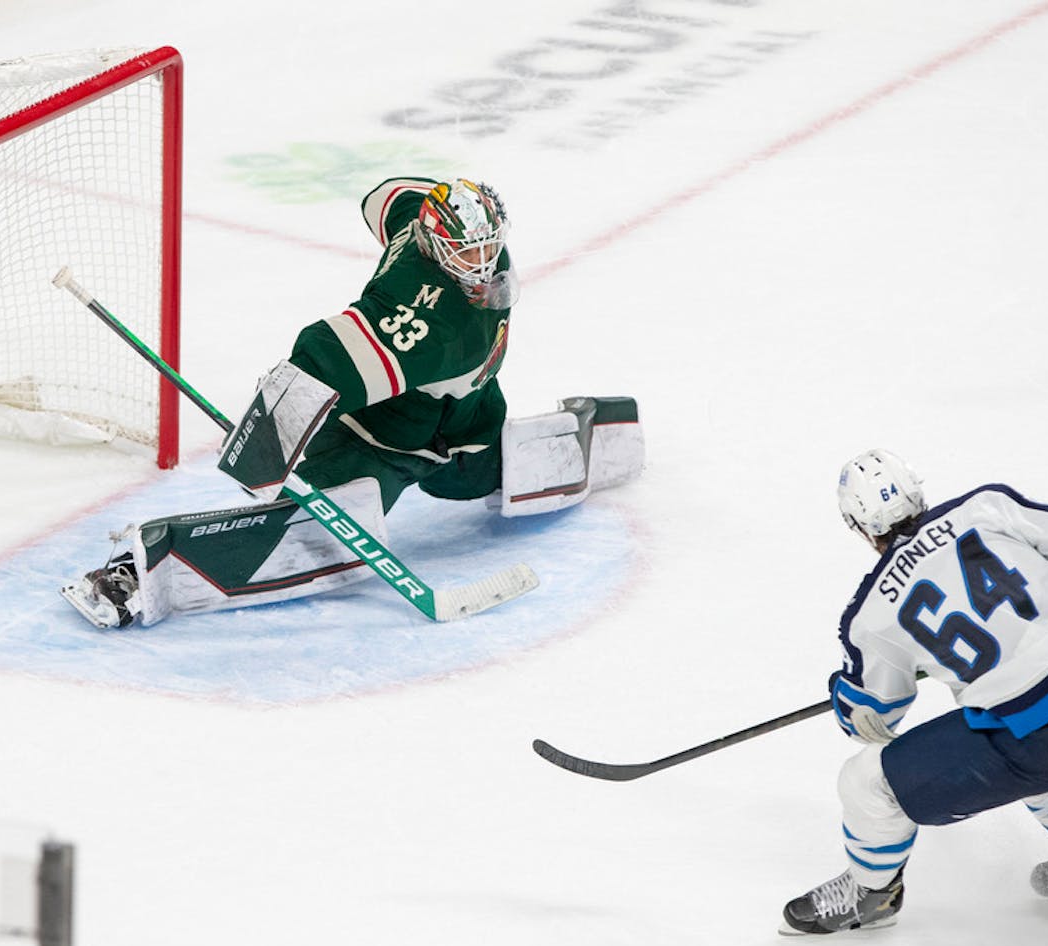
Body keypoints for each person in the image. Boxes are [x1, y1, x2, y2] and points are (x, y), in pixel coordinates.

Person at [62, 176, 644, 628]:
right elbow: (324, 353)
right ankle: (141, 577)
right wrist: (268, 441)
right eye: (467, 255)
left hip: (467, 426)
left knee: (487, 463)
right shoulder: (434, 324)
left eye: (488, 248)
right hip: (378, 442)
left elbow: (385, 196)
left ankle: (596, 435)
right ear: (435, 245)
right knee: (322, 523)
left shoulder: (419, 222)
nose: (483, 266)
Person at [780, 449, 1048, 936]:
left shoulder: (872, 615)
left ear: (858, 527)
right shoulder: (984, 507)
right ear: (918, 490)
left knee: (867, 783)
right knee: (1021, 731)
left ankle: (869, 895)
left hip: (1042, 739)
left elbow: (873, 719)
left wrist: (845, 695)